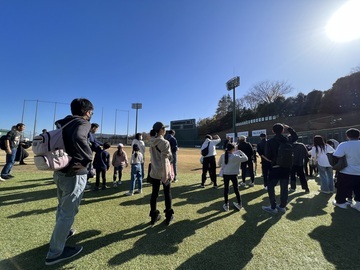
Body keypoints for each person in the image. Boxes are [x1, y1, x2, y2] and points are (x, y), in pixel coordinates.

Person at [45, 98, 94, 266]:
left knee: (62, 207)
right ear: (87, 112)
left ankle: (62, 234)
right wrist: (87, 159)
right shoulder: (82, 123)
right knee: (68, 212)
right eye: (91, 113)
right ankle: (55, 253)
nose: (90, 116)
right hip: (74, 172)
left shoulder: (63, 122)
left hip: (59, 171)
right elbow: (80, 137)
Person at [262, 123, 298, 214]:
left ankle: (273, 207)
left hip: (275, 167)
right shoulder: (287, 140)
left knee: (271, 186)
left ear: (273, 131)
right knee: (284, 187)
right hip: (286, 167)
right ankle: (282, 206)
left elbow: (267, 155)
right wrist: (289, 128)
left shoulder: (270, 141)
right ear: (283, 131)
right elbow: (295, 136)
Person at [148, 122, 174, 226]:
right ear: (161, 130)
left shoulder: (151, 141)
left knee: (154, 194)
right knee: (167, 194)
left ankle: (154, 216)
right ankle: (168, 215)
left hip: (154, 171)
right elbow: (165, 160)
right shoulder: (165, 142)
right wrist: (166, 175)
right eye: (164, 129)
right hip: (164, 171)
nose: (165, 130)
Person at [332, 128, 360, 210]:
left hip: (346, 171)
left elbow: (337, 155)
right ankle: (358, 204)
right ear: (359, 136)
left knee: (342, 188)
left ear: (347, 136)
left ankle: (341, 203)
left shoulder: (344, 145)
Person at [218, 143, 248, 211]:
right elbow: (246, 158)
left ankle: (226, 204)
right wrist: (241, 152)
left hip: (226, 174)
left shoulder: (223, 155)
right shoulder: (236, 156)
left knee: (226, 189)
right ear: (233, 149)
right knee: (236, 189)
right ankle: (239, 204)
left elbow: (219, 164)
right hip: (234, 174)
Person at [86, 123, 103, 189]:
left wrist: (103, 144)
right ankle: (84, 184)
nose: (97, 130)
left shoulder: (92, 134)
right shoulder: (88, 134)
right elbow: (91, 143)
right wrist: (98, 148)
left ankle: (86, 180)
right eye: (97, 129)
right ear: (93, 128)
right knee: (86, 168)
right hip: (87, 153)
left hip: (90, 153)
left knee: (89, 167)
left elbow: (95, 141)